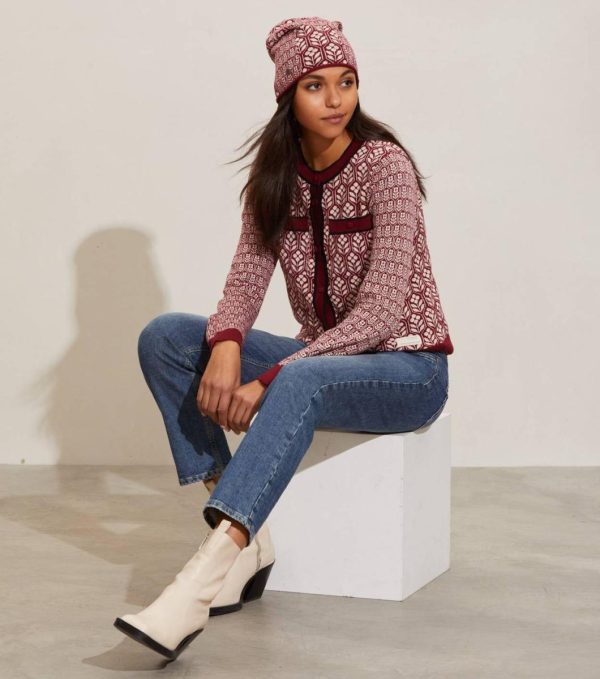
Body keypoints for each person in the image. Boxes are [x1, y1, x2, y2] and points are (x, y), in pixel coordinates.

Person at [114, 16, 454, 660]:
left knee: (299, 376)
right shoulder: (275, 175)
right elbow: (245, 279)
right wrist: (226, 346)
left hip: (408, 370)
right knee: (165, 338)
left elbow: (382, 314)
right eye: (315, 86)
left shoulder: (386, 166)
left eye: (347, 81)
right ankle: (246, 543)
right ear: (287, 96)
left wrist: (269, 377)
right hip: (320, 360)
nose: (336, 99)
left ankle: (200, 581)